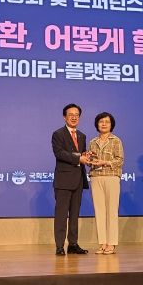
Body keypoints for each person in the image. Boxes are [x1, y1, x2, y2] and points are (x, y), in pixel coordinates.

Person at [52, 104, 90, 256]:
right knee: (61, 215)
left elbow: (82, 154)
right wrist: (78, 158)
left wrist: (87, 156)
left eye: (77, 115)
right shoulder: (58, 134)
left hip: (78, 180)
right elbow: (59, 153)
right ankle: (60, 246)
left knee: (75, 214)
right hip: (63, 180)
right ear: (64, 117)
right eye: (71, 114)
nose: (74, 117)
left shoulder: (82, 135)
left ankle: (73, 244)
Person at [88, 112, 124, 255]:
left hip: (111, 176)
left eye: (107, 122)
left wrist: (105, 162)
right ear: (97, 124)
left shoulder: (116, 140)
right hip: (96, 177)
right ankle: (102, 242)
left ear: (111, 125)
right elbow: (90, 161)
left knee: (111, 211)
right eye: (101, 121)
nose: (104, 124)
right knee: (99, 211)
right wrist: (89, 159)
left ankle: (111, 243)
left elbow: (119, 160)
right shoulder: (92, 142)